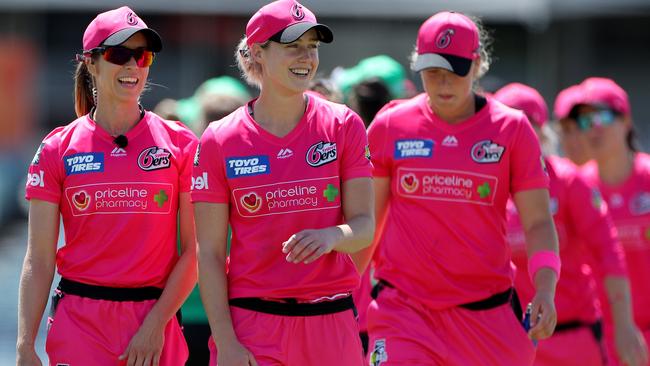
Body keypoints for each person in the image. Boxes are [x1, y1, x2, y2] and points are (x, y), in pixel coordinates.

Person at [361, 12, 559, 365]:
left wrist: (545, 287)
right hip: (404, 312)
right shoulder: (391, 124)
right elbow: (368, 223)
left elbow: (539, 223)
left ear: (478, 63)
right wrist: (345, 295)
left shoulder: (512, 129)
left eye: (456, 70)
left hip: (486, 315)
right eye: (432, 71)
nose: (443, 82)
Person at [191, 1, 374, 365]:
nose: (306, 57)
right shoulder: (219, 139)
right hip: (253, 325)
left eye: (312, 47)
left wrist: (331, 236)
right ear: (258, 52)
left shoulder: (344, 125)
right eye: (293, 47)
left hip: (331, 322)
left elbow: (365, 225)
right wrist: (226, 341)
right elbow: (209, 253)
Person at [17, 6, 197, 365]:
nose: (133, 66)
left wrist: (156, 324)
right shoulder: (57, 148)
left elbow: (196, 251)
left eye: (142, 55)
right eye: (119, 54)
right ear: (91, 63)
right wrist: (24, 346)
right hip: (80, 325)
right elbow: (38, 259)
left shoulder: (181, 143)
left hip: (154, 325)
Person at [495, 82, 647, 366]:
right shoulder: (487, 187)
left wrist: (624, 324)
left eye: (527, 125)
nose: (516, 134)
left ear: (541, 131)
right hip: (515, 342)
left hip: (579, 339)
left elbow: (607, 252)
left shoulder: (568, 181)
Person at [577, 77, 650, 366]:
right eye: (585, 121)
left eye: (603, 115)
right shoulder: (578, 185)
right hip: (597, 335)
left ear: (626, 120)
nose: (594, 127)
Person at [553, 84, 593, 166]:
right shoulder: (549, 175)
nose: (574, 139)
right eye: (566, 129)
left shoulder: (615, 175)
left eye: (581, 127)